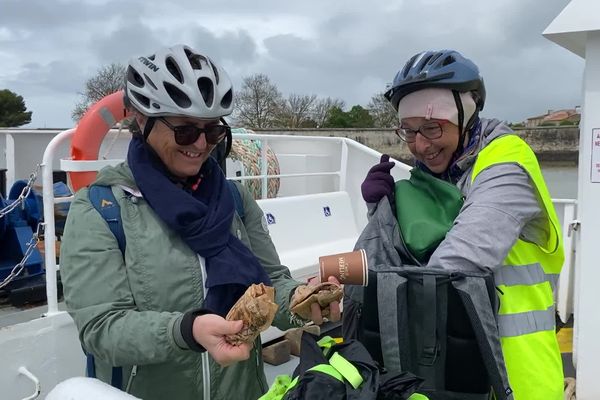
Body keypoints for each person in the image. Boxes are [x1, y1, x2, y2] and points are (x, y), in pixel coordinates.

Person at [60, 44, 340, 400]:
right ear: (142, 120)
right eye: (185, 131)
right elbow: (100, 329)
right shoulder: (100, 209)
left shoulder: (235, 200)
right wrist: (186, 331)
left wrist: (301, 302)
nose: (201, 144)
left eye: (213, 132)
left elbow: (271, 284)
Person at [359, 50, 564, 399]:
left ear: (466, 117)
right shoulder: (436, 177)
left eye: (432, 127)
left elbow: (455, 263)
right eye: (408, 132)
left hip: (519, 379)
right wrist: (381, 211)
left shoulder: (507, 163)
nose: (420, 145)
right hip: (455, 373)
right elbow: (417, 251)